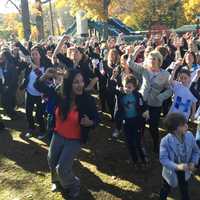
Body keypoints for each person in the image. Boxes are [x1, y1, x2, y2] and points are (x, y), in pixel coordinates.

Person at [35, 68, 99, 199]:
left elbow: (97, 118)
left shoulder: (87, 100)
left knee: (62, 168)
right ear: (69, 83)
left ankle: (73, 184)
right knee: (51, 160)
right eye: (76, 82)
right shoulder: (60, 94)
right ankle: (56, 182)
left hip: (74, 139)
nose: (80, 84)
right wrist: (44, 76)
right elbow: (38, 86)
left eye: (81, 81)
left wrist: (90, 122)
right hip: (58, 135)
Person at [128, 47, 172, 153]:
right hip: (142, 102)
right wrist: (136, 51)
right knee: (141, 125)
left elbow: (170, 90)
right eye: (150, 59)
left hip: (155, 104)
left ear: (159, 61)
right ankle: (140, 144)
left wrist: (161, 97)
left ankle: (156, 144)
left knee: (153, 126)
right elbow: (130, 63)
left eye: (154, 59)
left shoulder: (165, 74)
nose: (151, 61)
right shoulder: (144, 70)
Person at [160, 112, 199, 200]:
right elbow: (163, 159)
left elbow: (196, 151)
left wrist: (193, 162)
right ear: (174, 129)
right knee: (165, 188)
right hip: (171, 171)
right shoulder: (165, 141)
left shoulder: (190, 136)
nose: (187, 126)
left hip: (185, 170)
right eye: (183, 125)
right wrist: (177, 166)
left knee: (184, 187)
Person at [114, 75, 149, 167]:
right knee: (129, 142)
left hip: (137, 122)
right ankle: (134, 159)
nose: (127, 89)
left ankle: (143, 158)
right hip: (126, 122)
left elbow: (143, 105)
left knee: (137, 141)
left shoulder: (137, 95)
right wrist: (118, 123)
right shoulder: (120, 95)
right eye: (125, 86)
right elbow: (118, 109)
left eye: (129, 87)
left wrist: (145, 111)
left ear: (134, 87)